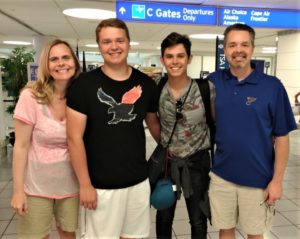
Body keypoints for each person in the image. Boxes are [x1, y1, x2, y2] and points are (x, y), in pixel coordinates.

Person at [66, 18, 160, 238]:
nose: (114, 46)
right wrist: (85, 184)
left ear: (128, 43)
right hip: (101, 186)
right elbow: (74, 139)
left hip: (138, 182)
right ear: (99, 46)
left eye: (119, 40)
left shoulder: (145, 84)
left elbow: (153, 123)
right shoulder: (83, 85)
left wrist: (172, 148)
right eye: (107, 41)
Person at [207, 23, 297, 239]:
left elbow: (282, 137)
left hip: (258, 180)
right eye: (232, 45)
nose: (238, 50)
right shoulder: (214, 82)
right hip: (222, 176)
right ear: (225, 50)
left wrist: (277, 181)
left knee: (255, 234)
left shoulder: (272, 87)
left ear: (253, 48)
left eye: (244, 44)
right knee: (225, 229)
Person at [10, 39, 81, 238]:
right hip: (36, 187)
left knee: (68, 234)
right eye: (54, 59)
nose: (61, 63)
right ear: (46, 66)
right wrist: (17, 191)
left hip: (70, 185)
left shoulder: (81, 96)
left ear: (74, 62)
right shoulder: (31, 96)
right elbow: (21, 146)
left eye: (66, 57)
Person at [156, 32, 215, 239]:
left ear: (189, 58)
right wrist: (164, 146)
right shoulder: (157, 90)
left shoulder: (205, 89)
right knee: (164, 216)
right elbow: (154, 123)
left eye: (180, 56)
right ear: (162, 59)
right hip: (168, 163)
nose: (175, 61)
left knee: (197, 219)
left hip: (197, 163)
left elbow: (214, 121)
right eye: (169, 56)